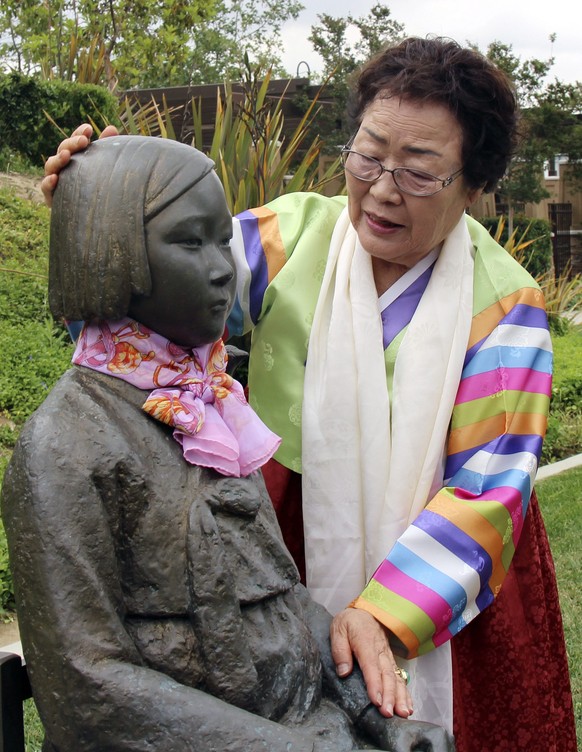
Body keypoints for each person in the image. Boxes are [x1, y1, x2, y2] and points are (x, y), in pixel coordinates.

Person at [41, 37, 576, 751]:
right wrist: (102, 215)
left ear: (473, 186)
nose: (382, 189)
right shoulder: (291, 234)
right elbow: (146, 314)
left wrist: (379, 616)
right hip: (288, 533)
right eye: (368, 156)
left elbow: (488, 486)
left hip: (446, 571)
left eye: (419, 174)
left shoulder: (505, 301)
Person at [3, 135, 454, 752]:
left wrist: (375, 716)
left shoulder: (209, 411)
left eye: (223, 240)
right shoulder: (67, 446)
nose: (225, 267)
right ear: (112, 253)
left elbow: (282, 600)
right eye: (191, 242)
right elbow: (86, 689)